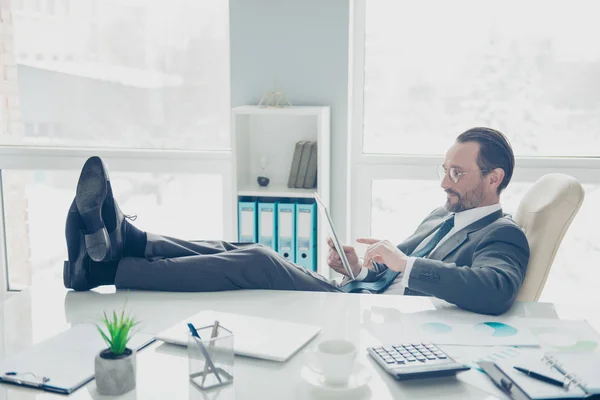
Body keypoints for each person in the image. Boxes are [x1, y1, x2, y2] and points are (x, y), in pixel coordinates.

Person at [64, 127, 529, 315]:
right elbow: (392, 279)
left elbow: (494, 290)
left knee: (258, 260)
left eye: (456, 173)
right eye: (444, 169)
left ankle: (106, 266)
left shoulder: (502, 234)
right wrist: (358, 266)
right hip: (355, 295)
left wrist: (403, 263)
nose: (444, 182)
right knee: (238, 249)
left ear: (494, 178)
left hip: (365, 316)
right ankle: (129, 243)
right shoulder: (439, 216)